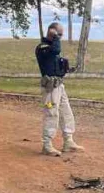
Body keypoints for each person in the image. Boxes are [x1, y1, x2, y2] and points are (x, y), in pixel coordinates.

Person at [35, 23, 84, 156]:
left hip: (59, 86)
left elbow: (55, 65)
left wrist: (67, 69)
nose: (60, 38)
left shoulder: (52, 48)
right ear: (52, 32)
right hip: (50, 89)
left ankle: (68, 141)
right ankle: (47, 145)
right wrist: (55, 36)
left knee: (66, 112)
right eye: (59, 34)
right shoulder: (43, 47)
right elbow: (56, 50)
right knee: (51, 113)